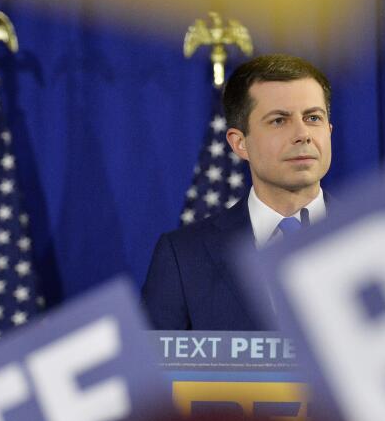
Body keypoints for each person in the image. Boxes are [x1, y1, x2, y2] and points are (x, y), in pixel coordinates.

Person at [141, 54, 333, 330]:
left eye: (313, 117)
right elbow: (152, 370)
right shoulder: (183, 257)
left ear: (328, 130)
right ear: (240, 143)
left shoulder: (372, 236)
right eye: (279, 120)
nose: (303, 134)